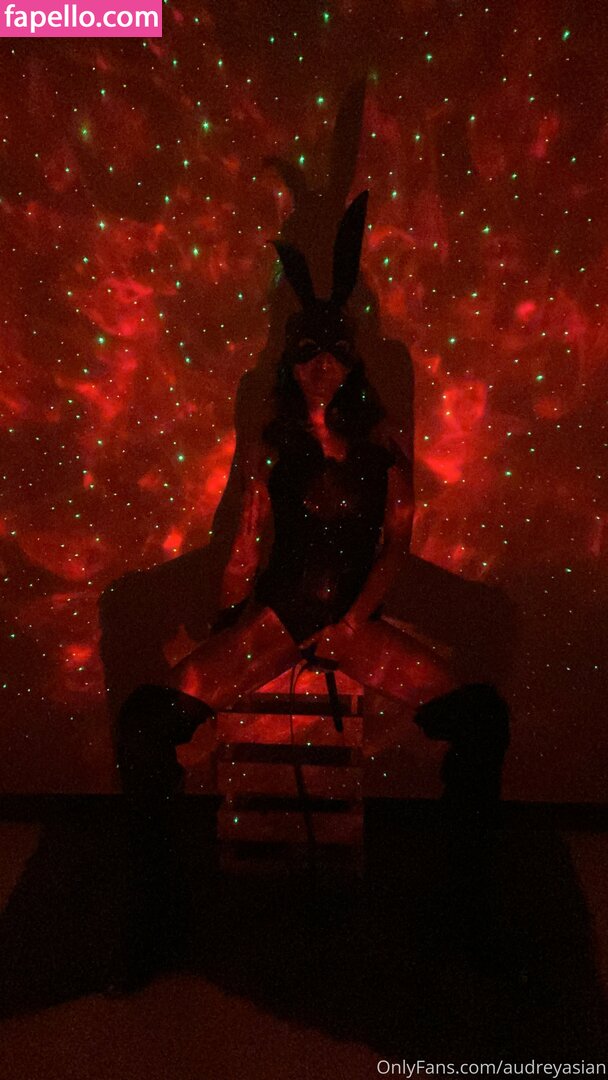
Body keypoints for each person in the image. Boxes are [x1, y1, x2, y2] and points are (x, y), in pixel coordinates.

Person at [115, 191, 509, 817]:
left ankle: (466, 862)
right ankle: (155, 859)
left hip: (353, 620)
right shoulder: (273, 441)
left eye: (334, 352)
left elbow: (396, 541)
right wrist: (231, 619)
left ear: (352, 361)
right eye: (307, 352)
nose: (321, 365)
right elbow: (246, 541)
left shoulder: (383, 443)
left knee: (481, 718)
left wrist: (354, 622)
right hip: (280, 615)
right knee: (145, 721)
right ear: (290, 361)